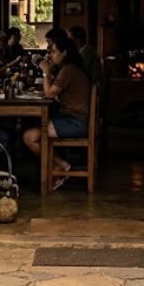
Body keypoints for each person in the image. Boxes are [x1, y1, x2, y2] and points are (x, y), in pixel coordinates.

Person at [23, 37, 90, 189]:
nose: (51, 55)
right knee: (33, 129)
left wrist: (46, 71)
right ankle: (60, 166)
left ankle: (60, 167)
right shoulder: (71, 68)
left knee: (29, 137)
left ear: (64, 53)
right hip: (73, 119)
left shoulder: (69, 70)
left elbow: (49, 94)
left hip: (75, 123)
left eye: (53, 52)